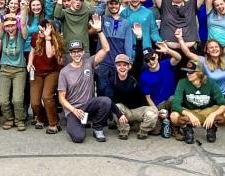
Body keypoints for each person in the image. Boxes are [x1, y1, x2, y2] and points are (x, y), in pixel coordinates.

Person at [177, 11, 225, 123]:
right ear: (207, 51)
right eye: (211, 48)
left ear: (220, 48)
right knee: (221, 114)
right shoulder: (204, 61)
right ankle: (217, 116)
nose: (214, 49)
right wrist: (180, 39)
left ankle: (223, 114)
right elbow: (188, 53)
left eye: (216, 47)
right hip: (213, 95)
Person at [58, 14, 111, 143]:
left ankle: (97, 127)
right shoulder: (64, 72)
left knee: (106, 101)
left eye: (79, 51)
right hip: (73, 110)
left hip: (88, 106)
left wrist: (99, 30)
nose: (76, 54)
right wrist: (73, 110)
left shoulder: (89, 62)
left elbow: (106, 49)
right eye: (74, 52)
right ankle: (79, 123)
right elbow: (61, 98)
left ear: (83, 52)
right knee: (78, 138)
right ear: (70, 54)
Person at [169, 59, 225, 144]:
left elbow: (224, 104)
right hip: (191, 111)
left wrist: (213, 115)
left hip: (208, 112)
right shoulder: (182, 82)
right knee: (174, 116)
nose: (187, 74)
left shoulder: (211, 83)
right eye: (187, 72)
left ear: (199, 73)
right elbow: (175, 104)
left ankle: (212, 127)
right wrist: (189, 114)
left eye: (191, 72)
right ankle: (187, 128)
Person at [0, 7, 29, 131]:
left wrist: (24, 9)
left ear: (16, 25)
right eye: (7, 26)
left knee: (17, 99)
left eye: (12, 25)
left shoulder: (21, 35)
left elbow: (23, 23)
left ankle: (19, 120)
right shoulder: (3, 35)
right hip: (4, 69)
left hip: (19, 70)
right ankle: (9, 119)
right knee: (2, 99)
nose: (10, 28)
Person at [140, 39, 182, 138]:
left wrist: (168, 50)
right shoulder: (144, 76)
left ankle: (175, 128)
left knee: (173, 99)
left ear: (157, 56)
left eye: (152, 58)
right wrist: (157, 112)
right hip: (158, 105)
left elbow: (178, 58)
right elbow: (148, 98)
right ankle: (164, 121)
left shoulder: (166, 64)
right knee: (155, 131)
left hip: (170, 100)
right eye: (147, 60)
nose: (151, 62)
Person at [27, 21, 64, 134]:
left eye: (43, 30)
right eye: (39, 29)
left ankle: (54, 123)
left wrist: (48, 38)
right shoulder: (36, 37)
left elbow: (49, 54)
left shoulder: (57, 40)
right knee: (34, 102)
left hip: (52, 72)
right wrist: (30, 62)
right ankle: (41, 117)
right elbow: (32, 51)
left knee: (47, 97)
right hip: (37, 72)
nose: (40, 32)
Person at [112, 54, 157, 140]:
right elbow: (110, 99)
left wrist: (138, 44)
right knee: (116, 107)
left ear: (129, 66)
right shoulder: (112, 79)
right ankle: (123, 130)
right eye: (119, 65)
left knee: (153, 112)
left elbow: (139, 59)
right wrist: (119, 114)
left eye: (125, 65)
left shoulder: (134, 74)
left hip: (140, 109)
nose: (122, 67)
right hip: (126, 111)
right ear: (115, 66)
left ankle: (143, 131)